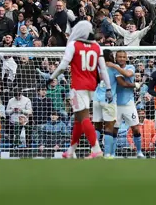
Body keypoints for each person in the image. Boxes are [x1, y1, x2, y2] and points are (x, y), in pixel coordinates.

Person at [47, 20, 110, 159]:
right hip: (91, 87)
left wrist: (51, 77)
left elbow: (63, 66)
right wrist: (108, 87)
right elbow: (103, 70)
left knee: (84, 118)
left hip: (77, 87)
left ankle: (96, 149)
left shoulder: (73, 45)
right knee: (78, 119)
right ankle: (71, 151)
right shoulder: (96, 46)